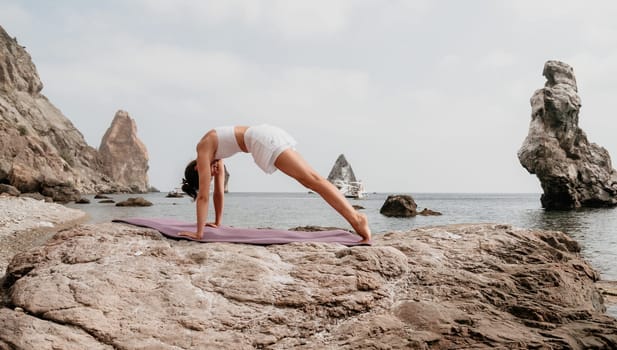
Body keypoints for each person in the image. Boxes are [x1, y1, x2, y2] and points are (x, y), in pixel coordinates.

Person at [179, 124, 371, 243]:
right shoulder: (215, 156)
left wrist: (199, 232)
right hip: (265, 135)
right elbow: (218, 192)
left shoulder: (203, 148)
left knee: (312, 180)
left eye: (208, 174)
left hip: (261, 140)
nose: (212, 173)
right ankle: (355, 217)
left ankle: (356, 219)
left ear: (197, 168)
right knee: (311, 180)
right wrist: (217, 223)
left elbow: (204, 195)